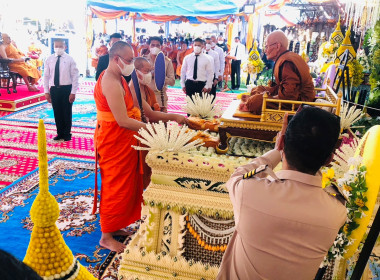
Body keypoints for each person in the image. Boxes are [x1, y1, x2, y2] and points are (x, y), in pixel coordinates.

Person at [217, 107, 346, 280]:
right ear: (329, 159)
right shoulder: (336, 212)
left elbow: (236, 176)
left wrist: (277, 151)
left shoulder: (249, 191)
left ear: (283, 142)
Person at [94, 41, 186, 252]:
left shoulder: (121, 79)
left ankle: (115, 226)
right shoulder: (109, 80)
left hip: (125, 140)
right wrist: (152, 131)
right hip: (114, 139)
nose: (131, 65)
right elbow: (122, 120)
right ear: (116, 59)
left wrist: (171, 118)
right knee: (114, 184)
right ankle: (106, 236)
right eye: (128, 61)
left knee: (126, 183)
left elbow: (147, 113)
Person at [240, 30, 315, 114]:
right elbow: (282, 87)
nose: (265, 50)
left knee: (257, 101)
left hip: (300, 103)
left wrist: (264, 97)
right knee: (258, 89)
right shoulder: (286, 57)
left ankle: (249, 105)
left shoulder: (287, 62)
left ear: (278, 46)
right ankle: (251, 100)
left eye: (267, 47)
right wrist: (268, 93)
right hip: (290, 96)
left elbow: (289, 96)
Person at [43, 39, 79, 141]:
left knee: (66, 112)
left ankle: (67, 133)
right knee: (57, 112)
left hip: (66, 89)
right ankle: (60, 133)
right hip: (54, 89)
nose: (58, 48)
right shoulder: (49, 59)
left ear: (65, 47)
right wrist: (46, 91)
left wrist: (73, 92)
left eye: (60, 46)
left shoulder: (70, 59)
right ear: (53, 47)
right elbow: (46, 76)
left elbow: (75, 76)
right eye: (56, 46)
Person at [143, 36, 175, 112]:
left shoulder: (167, 61)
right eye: (153, 45)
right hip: (145, 97)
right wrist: (150, 75)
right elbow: (138, 79)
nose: (155, 47)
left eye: (157, 45)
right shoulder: (143, 60)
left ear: (161, 47)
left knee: (161, 122)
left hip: (161, 98)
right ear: (148, 46)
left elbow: (172, 82)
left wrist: (160, 76)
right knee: (145, 122)